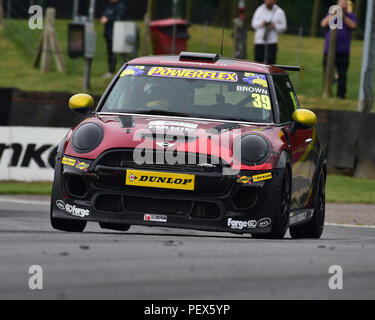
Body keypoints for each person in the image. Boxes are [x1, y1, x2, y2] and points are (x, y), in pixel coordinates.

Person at [321, 0, 357, 100]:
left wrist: (343, 16)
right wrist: (333, 14)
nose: (343, 5)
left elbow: (353, 26)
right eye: (341, 3)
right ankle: (327, 91)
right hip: (329, 50)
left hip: (343, 50)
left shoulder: (350, 16)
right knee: (327, 72)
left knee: (342, 73)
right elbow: (323, 24)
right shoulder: (332, 14)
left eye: (345, 3)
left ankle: (341, 95)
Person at [251, 0, 287, 65]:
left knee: (271, 66)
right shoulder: (259, 10)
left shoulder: (279, 12)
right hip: (259, 42)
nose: (269, 1)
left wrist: (275, 26)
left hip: (272, 43)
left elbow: (283, 27)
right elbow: (253, 24)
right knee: (257, 64)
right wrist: (262, 23)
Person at [100, 0, 126, 79]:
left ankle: (124, 72)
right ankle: (111, 71)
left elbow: (119, 18)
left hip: (117, 33)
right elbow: (104, 15)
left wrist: (108, 19)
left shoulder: (121, 6)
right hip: (108, 33)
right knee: (110, 53)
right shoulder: (109, 6)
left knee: (121, 54)